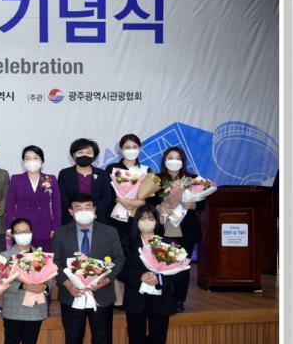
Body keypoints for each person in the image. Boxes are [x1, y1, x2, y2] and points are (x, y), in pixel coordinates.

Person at [51, 193, 124, 344]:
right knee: (73, 338)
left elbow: (119, 259)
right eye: (78, 207)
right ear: (71, 211)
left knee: (102, 338)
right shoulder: (61, 233)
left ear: (94, 210)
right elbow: (55, 262)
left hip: (101, 295)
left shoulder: (109, 232)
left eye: (87, 207)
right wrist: (67, 283)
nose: (83, 211)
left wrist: (106, 281)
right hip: (71, 295)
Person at [122, 204, 175, 344]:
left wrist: (159, 279)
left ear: (157, 221)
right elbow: (121, 271)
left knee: (158, 340)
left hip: (160, 298)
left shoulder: (166, 243)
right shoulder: (127, 243)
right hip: (136, 297)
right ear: (136, 221)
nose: (147, 222)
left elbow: (178, 271)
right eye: (142, 219)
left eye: (151, 218)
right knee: (136, 339)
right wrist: (140, 277)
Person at [0, 218, 52, 344]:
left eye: (26, 231)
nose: (23, 235)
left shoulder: (41, 255)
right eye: (19, 232)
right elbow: (0, 282)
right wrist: (22, 285)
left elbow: (50, 278)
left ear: (32, 232)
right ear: (12, 235)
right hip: (14, 307)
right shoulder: (5, 256)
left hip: (36, 307)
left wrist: (45, 286)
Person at [104, 134, 152, 309]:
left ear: (140, 149)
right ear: (121, 149)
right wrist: (120, 199)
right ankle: (118, 297)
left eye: (134, 147)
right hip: (116, 219)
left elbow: (152, 196)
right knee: (116, 254)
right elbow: (106, 193)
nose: (131, 150)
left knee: (136, 254)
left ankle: (137, 294)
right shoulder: (112, 168)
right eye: (127, 147)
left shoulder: (147, 170)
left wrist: (141, 202)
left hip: (137, 219)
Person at [155, 146, 206, 313]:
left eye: (178, 158)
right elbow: (148, 201)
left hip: (186, 229)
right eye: (170, 158)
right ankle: (164, 296)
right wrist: (159, 206)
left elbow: (203, 203)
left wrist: (193, 205)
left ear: (183, 161)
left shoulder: (192, 179)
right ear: (164, 160)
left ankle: (179, 298)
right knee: (164, 263)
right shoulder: (156, 179)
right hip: (164, 227)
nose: (174, 161)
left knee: (183, 265)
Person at [5, 145, 62, 252]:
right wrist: (9, 227)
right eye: (28, 158)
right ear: (23, 162)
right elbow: (10, 205)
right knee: (21, 257)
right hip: (22, 227)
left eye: (35, 158)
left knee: (43, 258)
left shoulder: (50, 179)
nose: (31, 161)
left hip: (44, 225)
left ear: (42, 161)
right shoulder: (16, 179)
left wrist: (56, 228)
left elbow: (57, 206)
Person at [57, 138, 114, 226]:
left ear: (94, 155)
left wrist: (92, 212)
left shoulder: (102, 174)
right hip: (71, 219)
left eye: (88, 152)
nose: (85, 155)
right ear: (74, 155)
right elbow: (62, 197)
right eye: (80, 152)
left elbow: (106, 197)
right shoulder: (65, 173)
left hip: (97, 218)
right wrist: (76, 212)